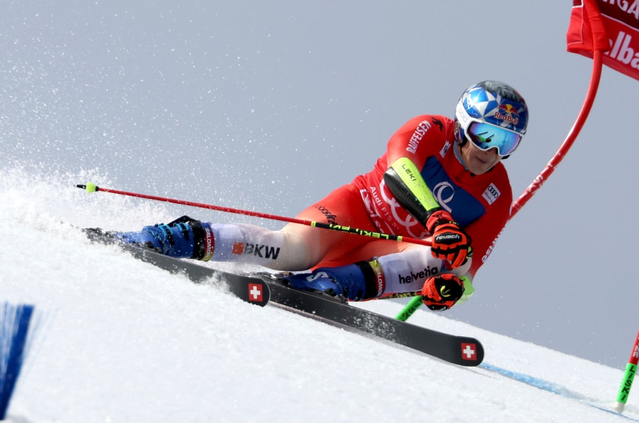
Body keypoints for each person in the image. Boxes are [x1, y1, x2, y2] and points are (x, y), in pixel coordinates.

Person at [102, 81, 528, 311]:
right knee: (287, 249)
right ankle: (171, 238)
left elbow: (468, 272)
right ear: (461, 124)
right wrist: (436, 216)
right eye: (484, 135)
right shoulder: (430, 129)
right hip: (356, 211)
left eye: (506, 144)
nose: (489, 152)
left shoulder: (498, 192)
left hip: (388, 253)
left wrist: (448, 292)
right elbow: (401, 172)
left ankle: (329, 286)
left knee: (443, 257)